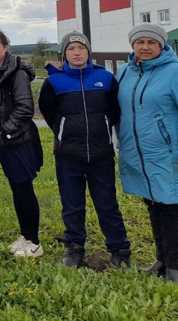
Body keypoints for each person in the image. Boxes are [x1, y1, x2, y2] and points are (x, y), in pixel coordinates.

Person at [115, 23, 178, 285]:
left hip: (168, 153)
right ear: (132, 45)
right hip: (140, 154)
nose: (145, 47)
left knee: (172, 206)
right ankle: (161, 260)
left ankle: (175, 268)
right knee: (153, 205)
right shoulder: (124, 73)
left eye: (151, 43)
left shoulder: (176, 73)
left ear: (161, 45)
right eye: (139, 42)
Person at [39, 31, 130, 268]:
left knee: (107, 203)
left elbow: (115, 110)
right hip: (68, 154)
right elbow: (49, 114)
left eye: (81, 48)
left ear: (88, 51)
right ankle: (75, 248)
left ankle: (119, 250)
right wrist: (64, 132)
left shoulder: (106, 78)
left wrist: (103, 128)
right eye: (71, 49)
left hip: (101, 154)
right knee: (72, 203)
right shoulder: (54, 82)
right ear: (64, 54)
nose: (76, 52)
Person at [0, 29, 44, 258]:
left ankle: (34, 242)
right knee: (17, 189)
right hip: (4, 143)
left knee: (24, 189)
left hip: (18, 141)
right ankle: (26, 235)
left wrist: (6, 132)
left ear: (5, 47)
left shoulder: (15, 73)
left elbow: (25, 108)